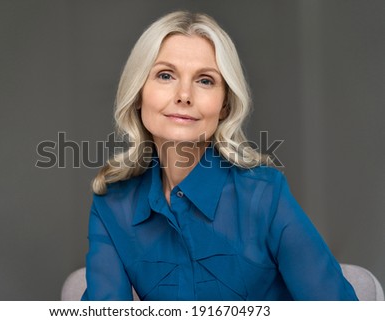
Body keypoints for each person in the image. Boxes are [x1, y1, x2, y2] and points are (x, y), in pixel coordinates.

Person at [81, 11, 358, 301]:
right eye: (165, 75)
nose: (184, 95)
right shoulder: (112, 204)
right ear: (139, 94)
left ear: (224, 105)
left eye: (205, 80)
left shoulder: (265, 195)